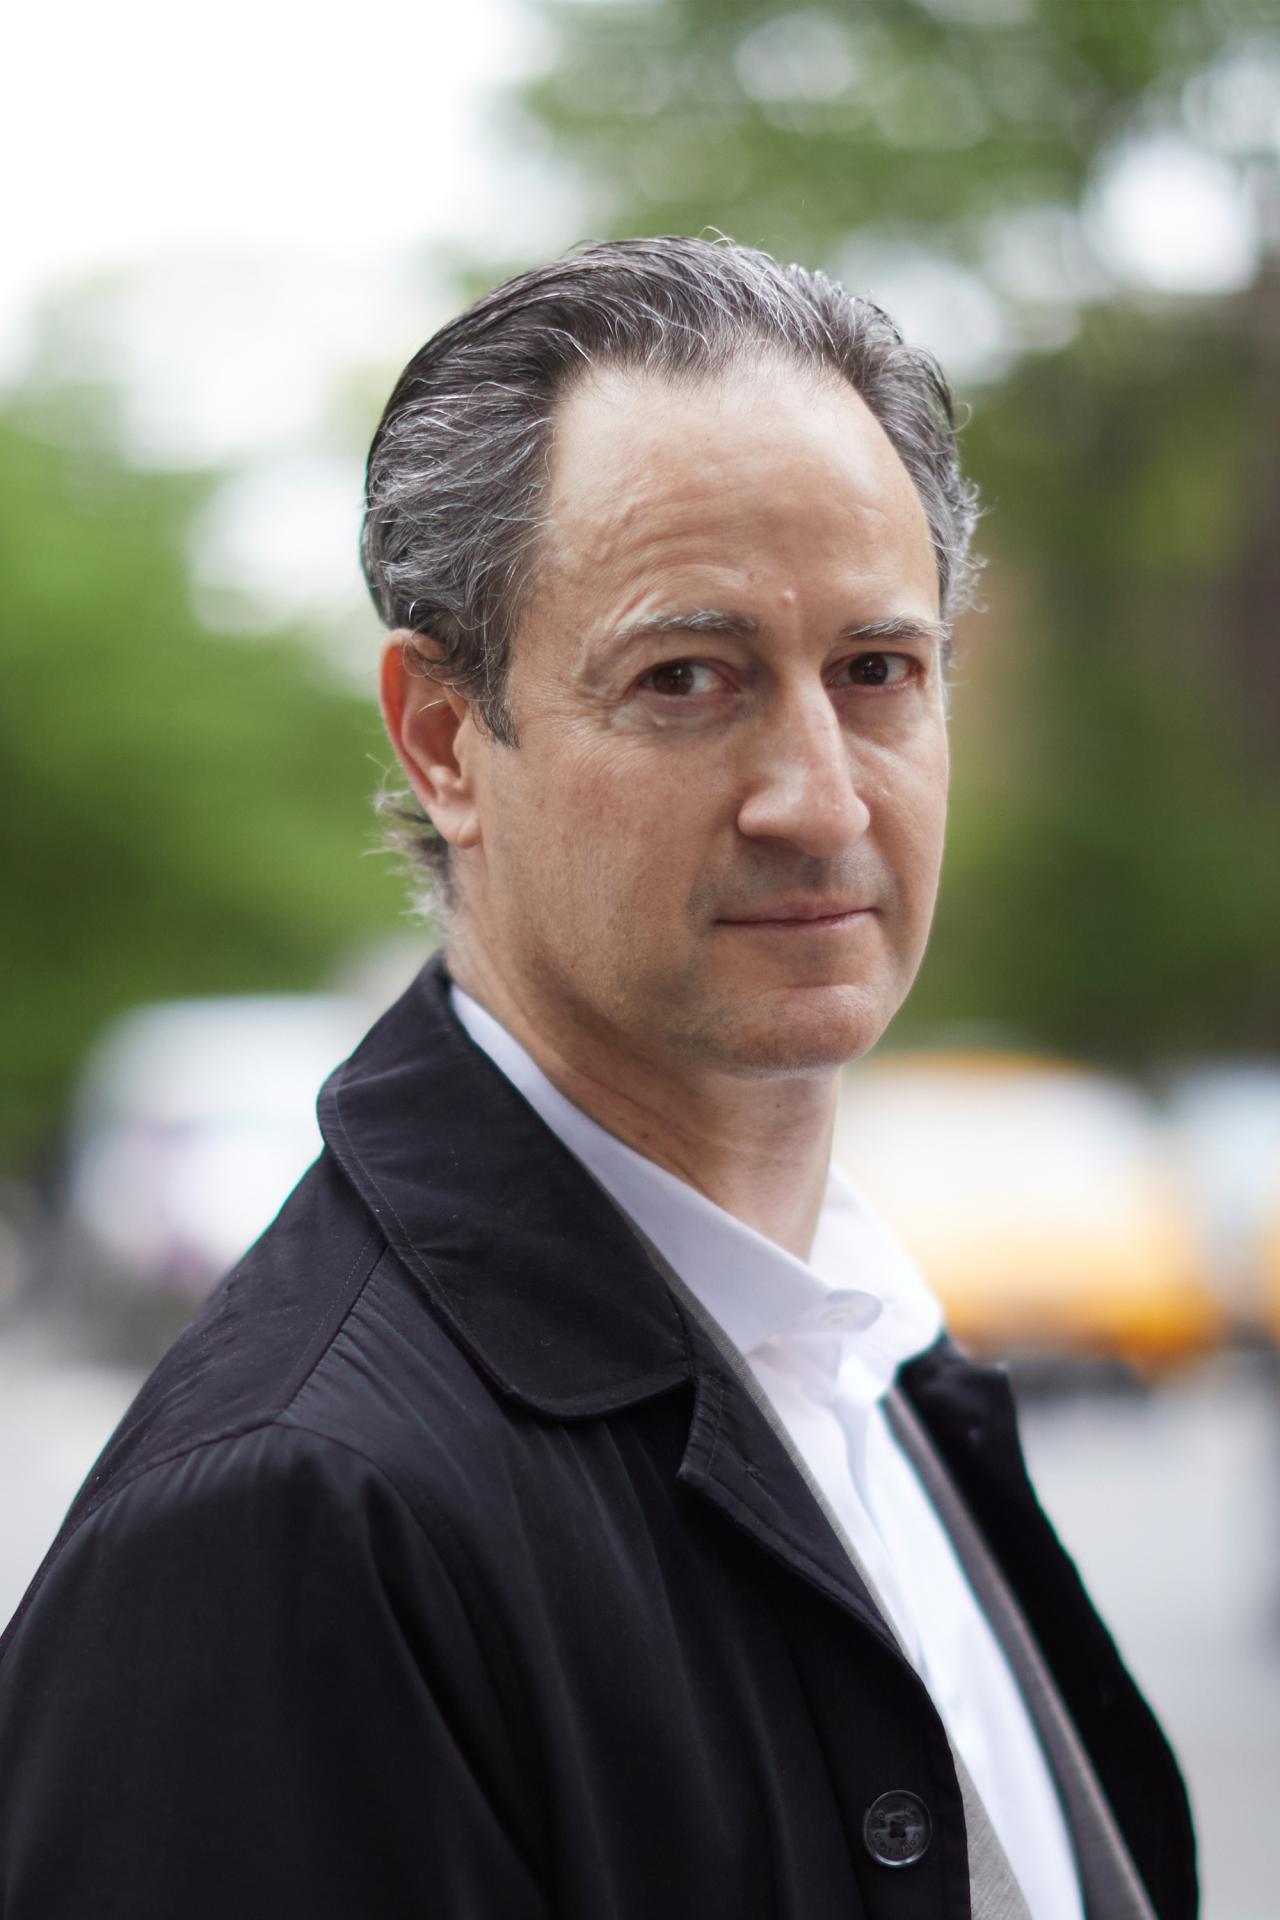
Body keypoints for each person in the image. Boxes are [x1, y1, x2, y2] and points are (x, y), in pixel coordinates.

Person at [0, 237, 1194, 1920]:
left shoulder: (860, 1353)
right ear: (441, 737)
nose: (820, 799)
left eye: (876, 672)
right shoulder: (290, 1524)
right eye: (686, 679)